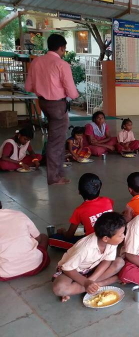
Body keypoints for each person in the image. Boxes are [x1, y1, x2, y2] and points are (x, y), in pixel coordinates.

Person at [25, 34, 78, 185]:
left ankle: (58, 172)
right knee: (56, 141)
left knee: (56, 138)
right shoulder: (62, 64)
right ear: (61, 48)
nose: (64, 52)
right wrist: (72, 95)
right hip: (57, 105)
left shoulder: (36, 62)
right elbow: (72, 92)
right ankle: (54, 177)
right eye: (64, 50)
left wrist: (43, 89)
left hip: (43, 103)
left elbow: (28, 87)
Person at [52, 212, 126, 302]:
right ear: (106, 238)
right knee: (59, 289)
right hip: (73, 271)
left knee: (119, 262)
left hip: (92, 268)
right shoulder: (85, 248)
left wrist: (91, 280)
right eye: (121, 234)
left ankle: (89, 286)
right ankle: (105, 282)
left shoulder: (112, 242)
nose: (123, 236)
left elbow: (107, 261)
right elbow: (67, 269)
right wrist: (85, 282)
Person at [49, 173, 114, 249]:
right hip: (112, 239)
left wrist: (63, 231)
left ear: (79, 191)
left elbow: (69, 235)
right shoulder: (108, 200)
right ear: (99, 188)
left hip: (93, 244)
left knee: (53, 239)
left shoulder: (79, 210)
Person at [0, 201, 50, 281]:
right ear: (1, 203)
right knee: (44, 236)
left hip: (5, 273)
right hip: (35, 266)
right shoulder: (18, 214)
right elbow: (38, 238)